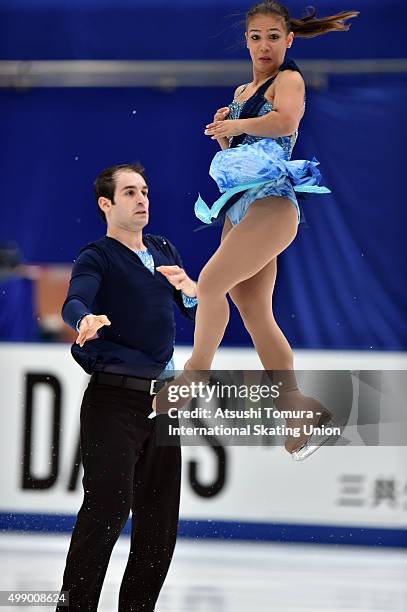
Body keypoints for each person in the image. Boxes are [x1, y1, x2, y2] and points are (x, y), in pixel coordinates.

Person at [153, 1, 358, 460]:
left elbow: (285, 122)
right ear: (246, 41)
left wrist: (239, 121)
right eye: (255, 36)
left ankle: (195, 372)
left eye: (272, 36)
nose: (264, 45)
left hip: (272, 205)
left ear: (288, 40)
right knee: (254, 312)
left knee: (209, 284)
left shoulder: (289, 80)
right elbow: (240, 150)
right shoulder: (243, 89)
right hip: (238, 208)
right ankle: (298, 407)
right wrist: (226, 133)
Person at [56, 162, 197, 611]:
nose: (142, 200)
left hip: (163, 405)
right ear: (107, 204)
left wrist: (192, 290)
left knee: (159, 525)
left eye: (145, 191)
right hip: (114, 400)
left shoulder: (163, 248)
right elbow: (75, 297)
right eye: (130, 192)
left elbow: (190, 305)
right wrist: (85, 318)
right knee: (107, 511)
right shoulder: (96, 255)